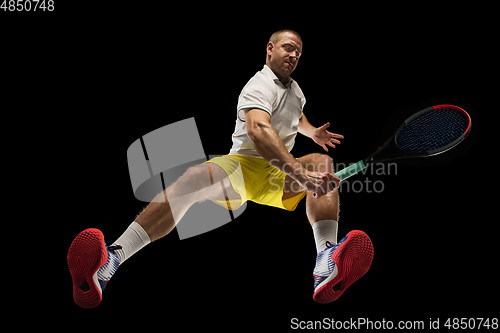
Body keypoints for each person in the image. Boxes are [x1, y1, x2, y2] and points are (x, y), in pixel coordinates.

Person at [67, 29, 374, 308]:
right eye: (288, 48)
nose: (294, 55)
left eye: (299, 52)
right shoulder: (259, 85)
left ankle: (326, 261)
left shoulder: (295, 91)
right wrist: (297, 173)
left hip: (275, 174)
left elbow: (296, 116)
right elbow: (257, 130)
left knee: (322, 163)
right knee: (193, 179)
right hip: (243, 166)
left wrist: (312, 133)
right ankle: (112, 259)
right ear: (270, 49)